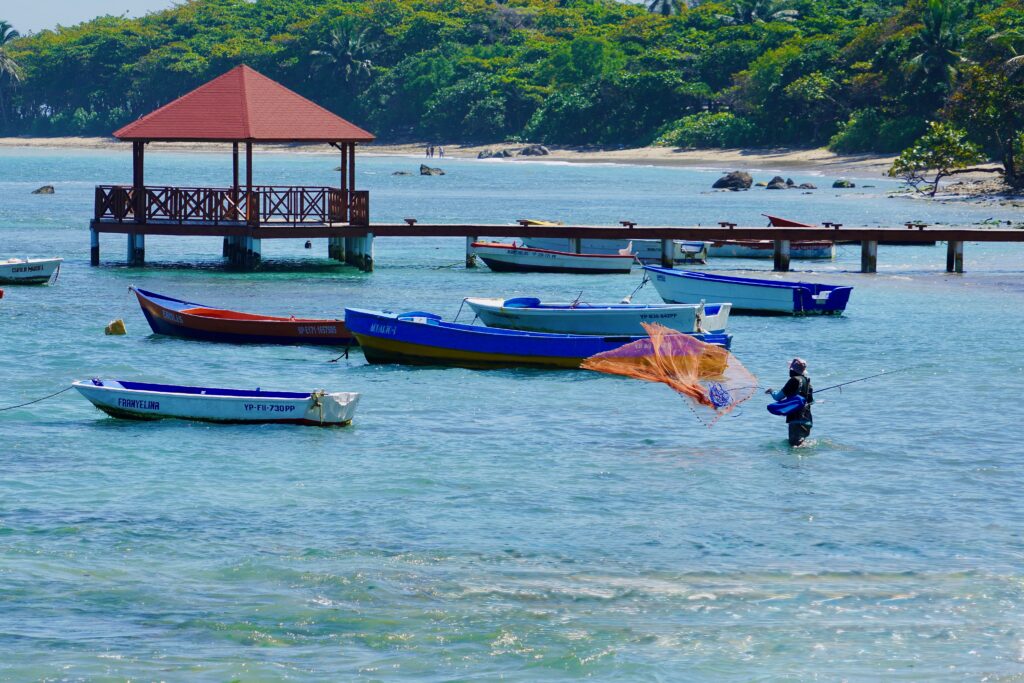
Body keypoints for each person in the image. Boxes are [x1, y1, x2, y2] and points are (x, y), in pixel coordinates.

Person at [767, 357, 814, 446]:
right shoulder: (808, 383)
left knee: (794, 447)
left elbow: (778, 397)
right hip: (807, 420)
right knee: (802, 444)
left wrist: (771, 391)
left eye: (790, 368)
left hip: (796, 420)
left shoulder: (793, 380)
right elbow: (811, 401)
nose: (789, 370)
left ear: (793, 370)